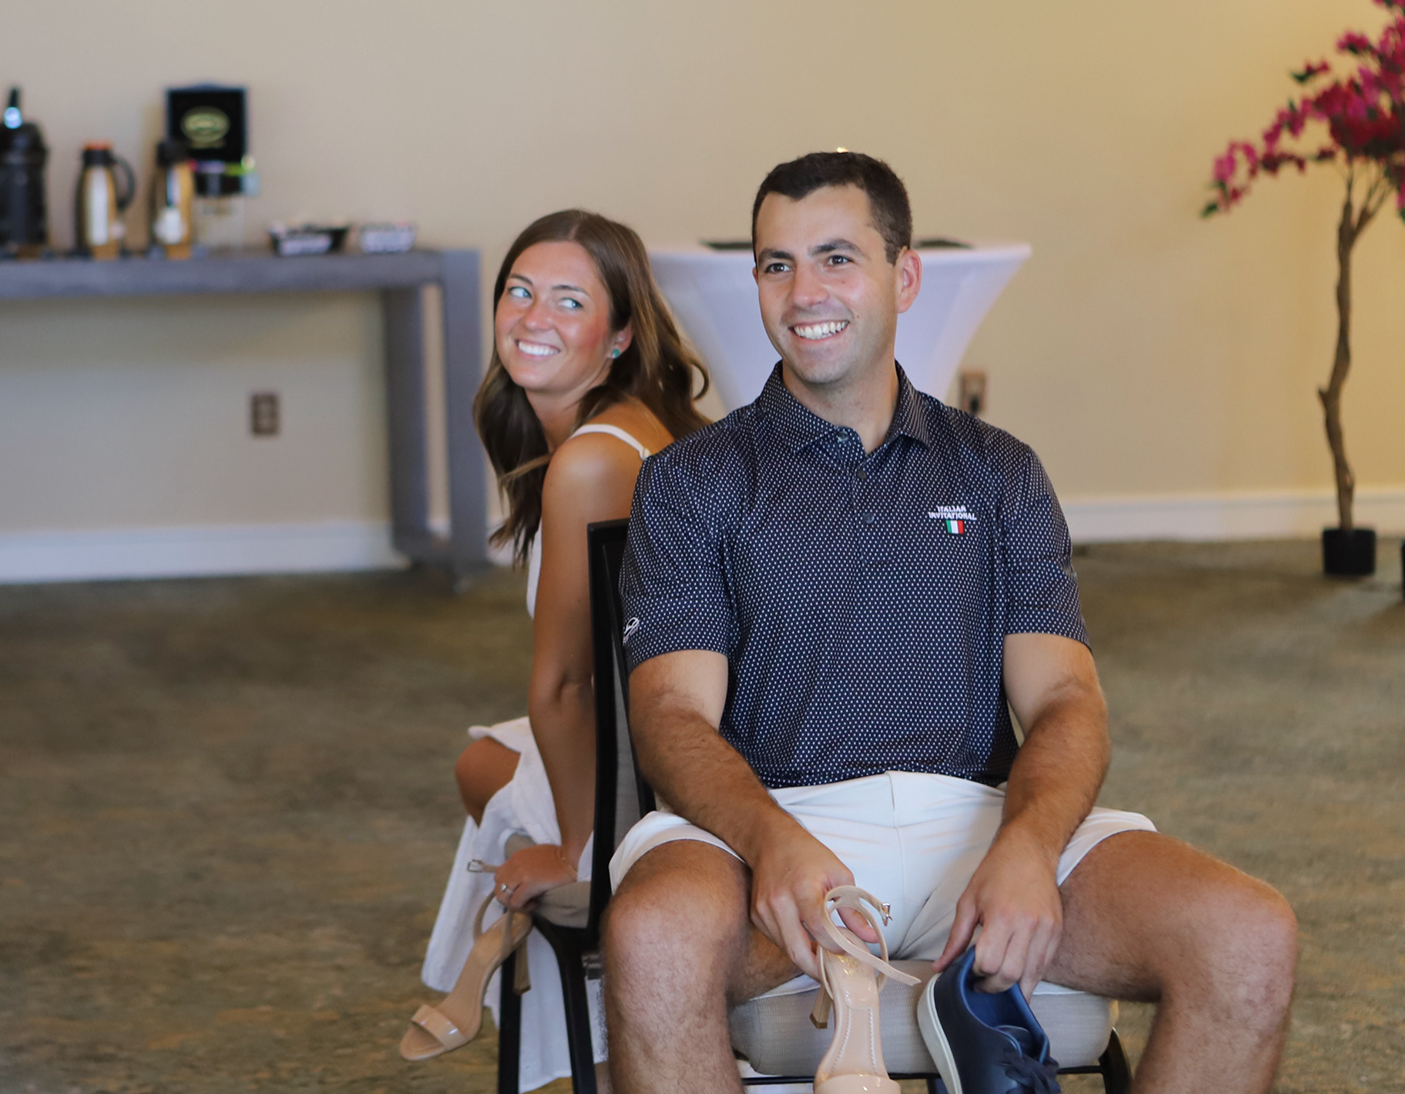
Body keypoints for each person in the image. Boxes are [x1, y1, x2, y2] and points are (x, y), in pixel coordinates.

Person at [601, 152, 1298, 1094]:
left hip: (978, 815)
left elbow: (1065, 699)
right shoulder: (692, 481)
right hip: (773, 821)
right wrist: (768, 839)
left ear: (905, 276)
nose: (804, 293)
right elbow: (670, 717)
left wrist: (1029, 844)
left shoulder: (999, 471)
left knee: (1250, 935)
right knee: (651, 938)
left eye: (837, 258)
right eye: (777, 265)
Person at [402, 209, 710, 1089]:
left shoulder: (590, 462)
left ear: (619, 336)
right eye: (520, 292)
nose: (533, 317)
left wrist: (579, 852)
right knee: (483, 760)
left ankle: (600, 1048)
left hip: (647, 764)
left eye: (569, 301)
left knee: (489, 782)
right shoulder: (625, 424)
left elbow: (571, 686)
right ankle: (597, 1043)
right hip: (646, 725)